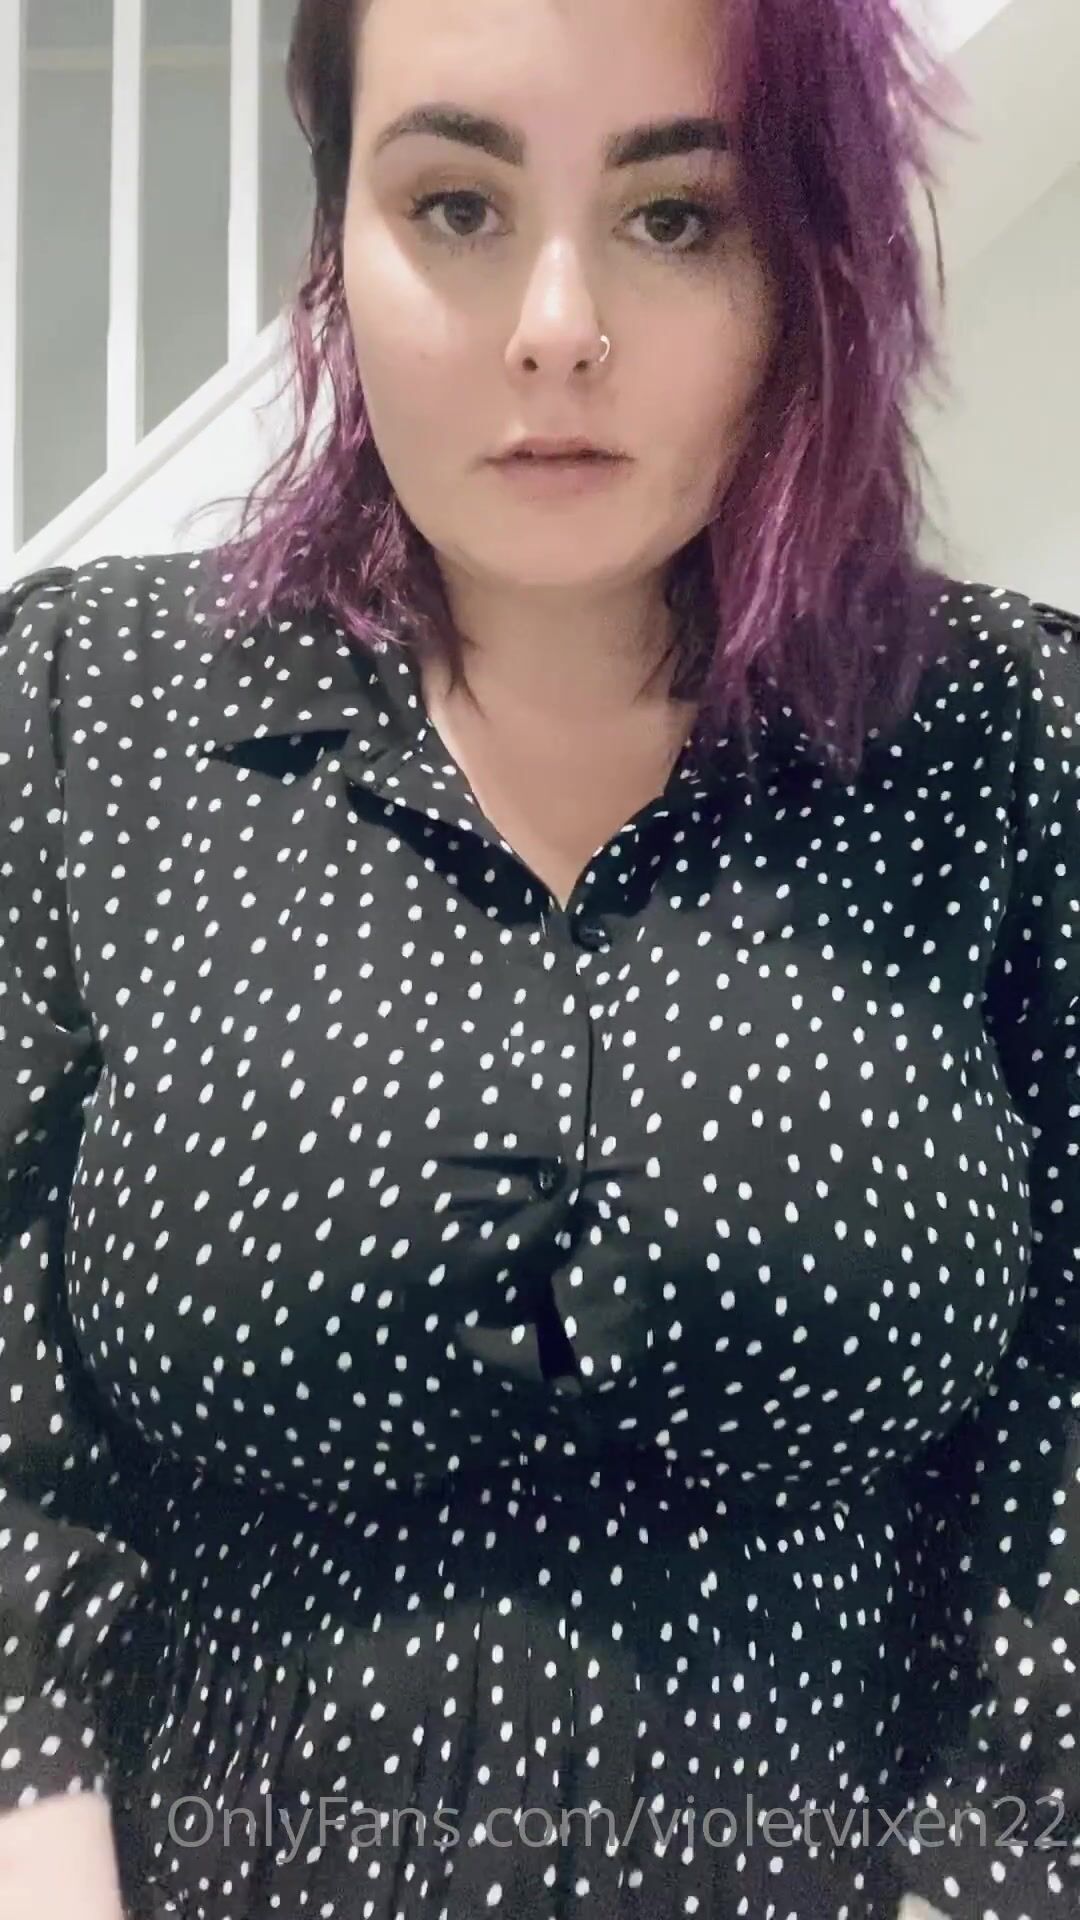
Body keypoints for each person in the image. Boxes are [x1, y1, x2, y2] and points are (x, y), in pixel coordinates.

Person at [0, 0, 1077, 1914]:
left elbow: (1057, 1468)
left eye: (675, 218)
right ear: (338, 238)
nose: (556, 326)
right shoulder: (91, 706)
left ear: (808, 265)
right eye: (457, 205)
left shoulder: (1007, 741)